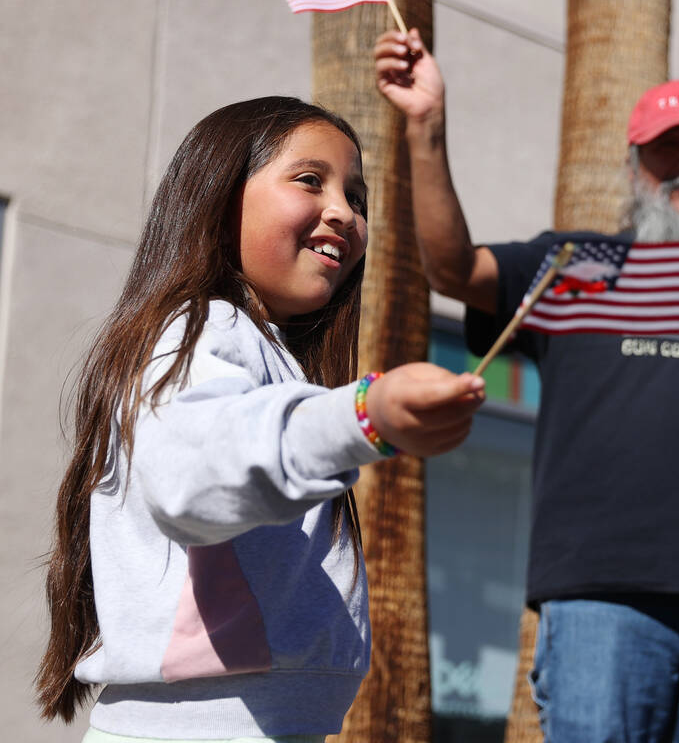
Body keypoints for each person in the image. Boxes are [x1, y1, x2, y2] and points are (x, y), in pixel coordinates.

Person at [374, 30, 679, 742]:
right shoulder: (574, 268)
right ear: (635, 166)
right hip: (601, 608)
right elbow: (453, 270)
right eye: (670, 147)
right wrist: (427, 128)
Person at [34, 96, 485, 743]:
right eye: (310, 180)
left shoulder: (256, 348)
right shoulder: (202, 328)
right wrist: (366, 412)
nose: (344, 213)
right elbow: (194, 473)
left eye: (356, 197)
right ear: (220, 197)